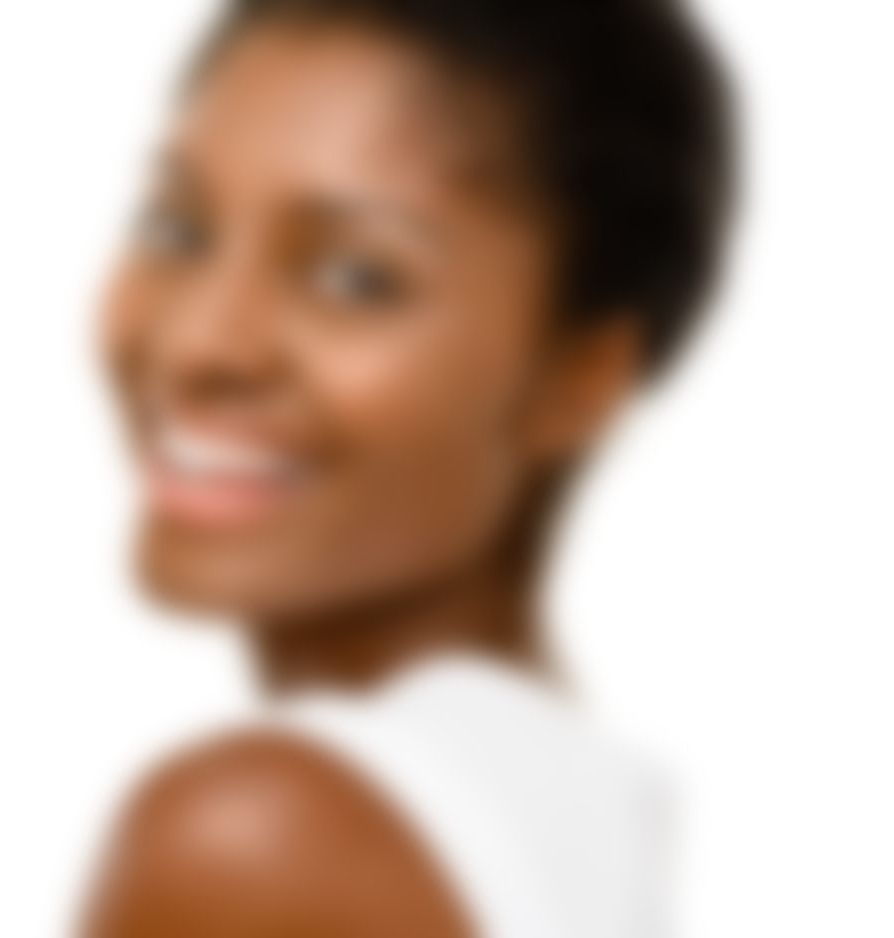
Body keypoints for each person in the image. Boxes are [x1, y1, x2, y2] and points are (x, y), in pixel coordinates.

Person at [81, 0, 735, 935]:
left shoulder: (257, 836)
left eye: (355, 278)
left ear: (580, 377)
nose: (200, 342)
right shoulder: (580, 807)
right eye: (179, 231)